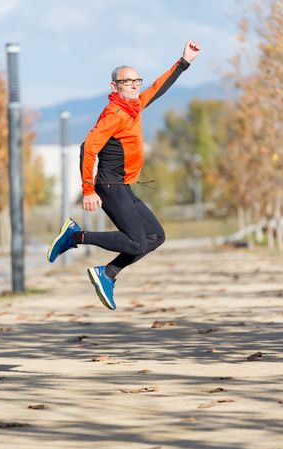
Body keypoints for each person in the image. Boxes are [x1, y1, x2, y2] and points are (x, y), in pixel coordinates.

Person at [47, 40, 201, 310]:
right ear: (114, 86)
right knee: (136, 242)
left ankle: (107, 274)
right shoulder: (114, 113)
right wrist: (87, 190)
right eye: (127, 81)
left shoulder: (136, 106)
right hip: (108, 185)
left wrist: (184, 61)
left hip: (123, 186)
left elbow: (158, 87)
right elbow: (88, 147)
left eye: (136, 80)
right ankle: (74, 237)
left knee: (155, 237)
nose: (134, 84)